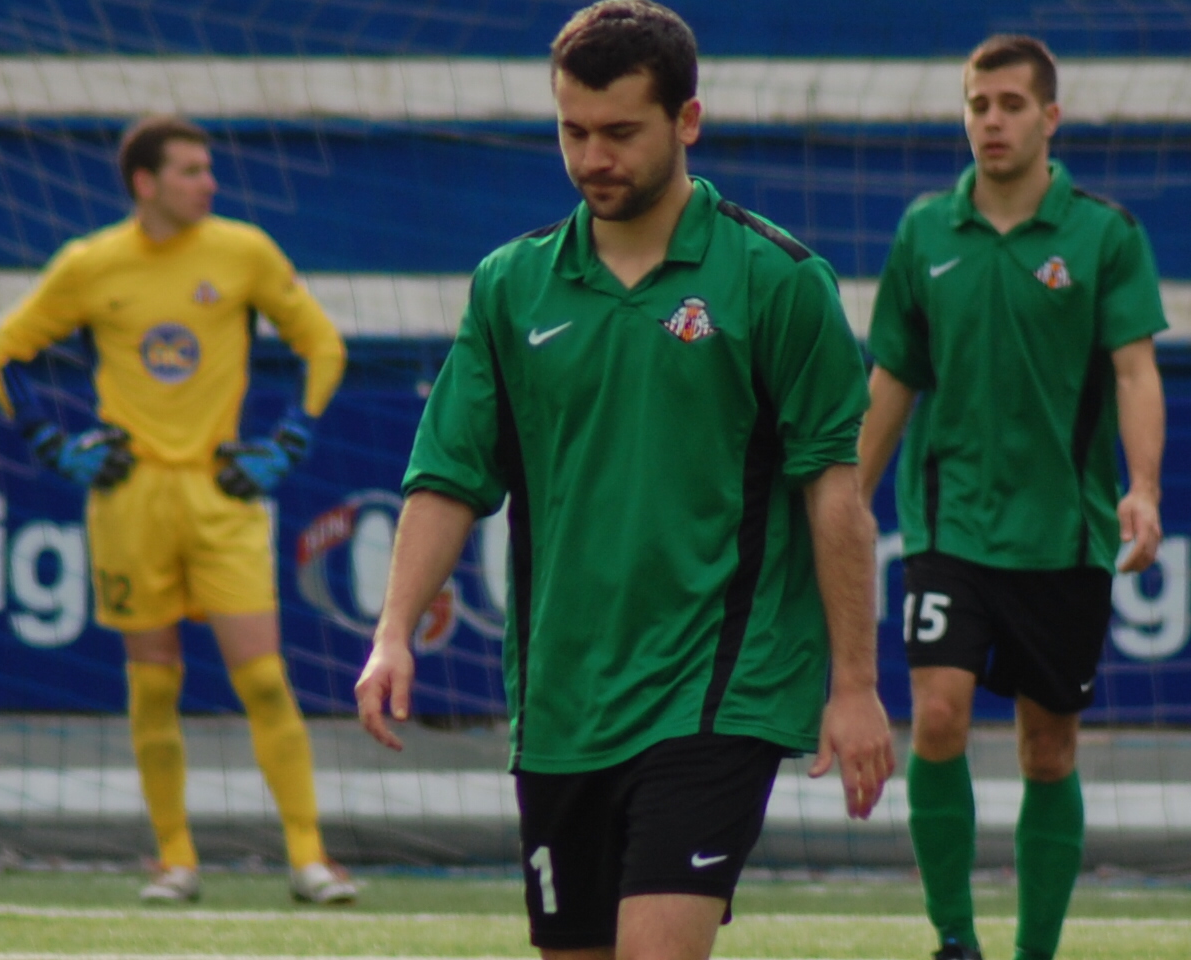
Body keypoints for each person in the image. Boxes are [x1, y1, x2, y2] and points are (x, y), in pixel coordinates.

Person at [355, 3, 894, 958]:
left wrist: (853, 684)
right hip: (563, 697)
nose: (592, 158)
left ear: (687, 121)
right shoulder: (510, 285)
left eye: (619, 133)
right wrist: (394, 630)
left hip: (717, 690)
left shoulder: (778, 281)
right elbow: (447, 477)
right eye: (573, 132)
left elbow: (834, 494)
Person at [0, 115, 358, 906]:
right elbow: (1, 354)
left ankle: (309, 859)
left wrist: (288, 440)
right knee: (153, 684)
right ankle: (176, 860)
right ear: (145, 183)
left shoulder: (243, 251)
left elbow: (322, 344)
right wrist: (55, 445)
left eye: (207, 169)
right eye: (189, 170)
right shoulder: (91, 265)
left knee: (262, 676)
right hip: (131, 499)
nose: (207, 182)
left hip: (222, 495)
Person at [857, 35, 1166, 960]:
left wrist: (1142, 489)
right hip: (950, 527)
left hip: (1063, 537)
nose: (990, 120)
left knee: (1047, 751)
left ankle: (1036, 951)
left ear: (1049, 118)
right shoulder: (924, 232)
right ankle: (955, 938)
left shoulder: (1104, 234)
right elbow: (891, 380)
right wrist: (849, 499)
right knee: (939, 712)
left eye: (1009, 105)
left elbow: (1136, 372)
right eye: (977, 104)